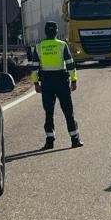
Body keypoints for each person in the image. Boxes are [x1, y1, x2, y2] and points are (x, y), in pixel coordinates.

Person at [30, 21, 84, 150]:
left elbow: (34, 67)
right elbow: (70, 64)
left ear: (45, 32)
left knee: (49, 113)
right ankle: (74, 140)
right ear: (56, 32)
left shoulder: (39, 46)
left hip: (46, 83)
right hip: (61, 82)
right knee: (68, 112)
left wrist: (36, 83)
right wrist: (74, 80)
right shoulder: (62, 45)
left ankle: (49, 141)